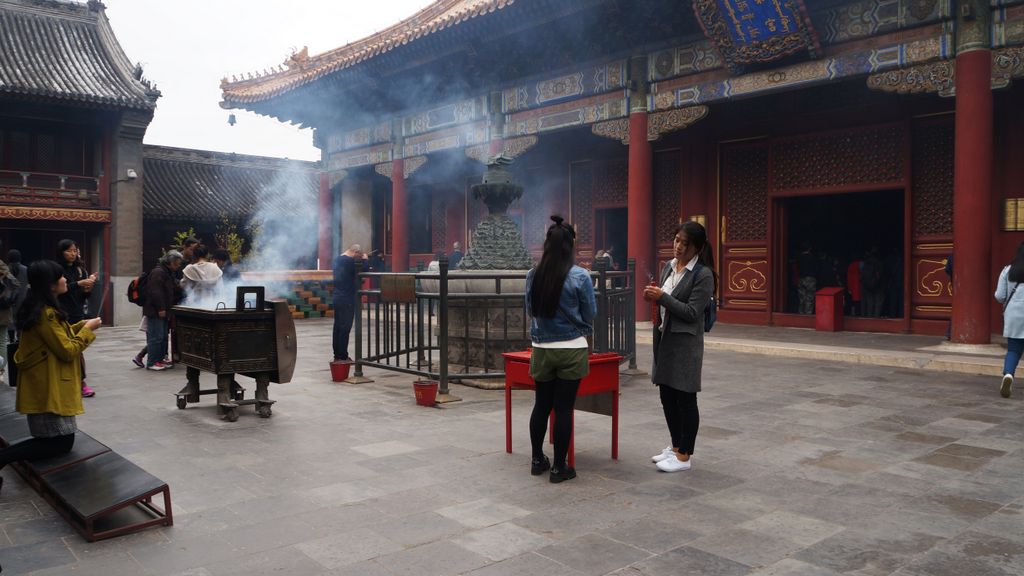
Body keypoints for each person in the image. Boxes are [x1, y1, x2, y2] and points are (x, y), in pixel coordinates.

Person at [1, 260, 101, 494]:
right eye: (60, 277)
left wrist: (80, 326)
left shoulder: (40, 307)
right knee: (59, 442)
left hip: (45, 382)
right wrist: (88, 331)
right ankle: (2, 457)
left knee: (59, 441)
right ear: (51, 285)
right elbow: (66, 350)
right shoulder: (46, 314)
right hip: (48, 386)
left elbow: (57, 339)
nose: (66, 279)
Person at [525, 215, 596, 484]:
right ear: (570, 246)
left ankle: (536, 460)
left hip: (542, 348)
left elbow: (530, 311)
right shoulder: (580, 276)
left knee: (541, 405)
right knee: (564, 408)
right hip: (571, 348)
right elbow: (590, 313)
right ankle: (559, 468)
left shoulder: (533, 274)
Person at [643, 221, 716, 473]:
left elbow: (692, 312)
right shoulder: (668, 266)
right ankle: (675, 447)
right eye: (676, 240)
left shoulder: (703, 275)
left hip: (685, 344)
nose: (679, 247)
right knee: (667, 396)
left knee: (685, 397)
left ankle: (685, 454)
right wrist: (654, 296)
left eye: (686, 243)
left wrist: (662, 297)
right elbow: (664, 299)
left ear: (698, 247)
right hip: (664, 340)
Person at [56, 240, 96, 397]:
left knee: (77, 350)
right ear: (61, 252)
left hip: (77, 313)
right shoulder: (57, 270)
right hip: (61, 312)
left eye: (74, 250)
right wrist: (79, 283)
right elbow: (60, 291)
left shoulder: (81, 269)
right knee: (69, 349)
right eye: (69, 251)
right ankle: (78, 382)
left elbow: (83, 296)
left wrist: (88, 288)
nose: (72, 254)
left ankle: (80, 382)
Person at [142, 251, 183, 371]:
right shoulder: (158, 272)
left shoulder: (167, 272)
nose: (178, 266)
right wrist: (161, 308)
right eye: (177, 263)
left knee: (163, 336)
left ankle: (160, 359)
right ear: (171, 262)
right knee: (156, 336)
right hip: (156, 310)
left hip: (165, 309)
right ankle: (152, 362)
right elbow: (156, 292)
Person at [995, 243, 1024, 398]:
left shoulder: (1007, 270)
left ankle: (1008, 375)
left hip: (1014, 315)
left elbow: (999, 296)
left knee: (1013, 350)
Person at [332, 244, 365, 362]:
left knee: (337, 327)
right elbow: (364, 269)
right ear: (356, 252)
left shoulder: (337, 259)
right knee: (345, 328)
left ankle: (337, 354)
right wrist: (365, 259)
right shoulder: (349, 262)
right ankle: (343, 356)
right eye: (358, 255)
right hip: (347, 298)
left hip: (337, 297)